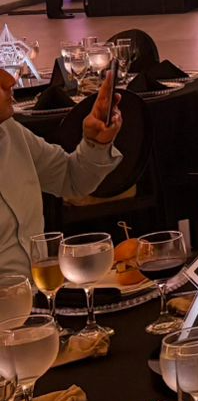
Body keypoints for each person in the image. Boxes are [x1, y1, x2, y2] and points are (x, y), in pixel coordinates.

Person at [0, 66, 123, 277]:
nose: (10, 82)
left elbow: (71, 179)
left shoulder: (10, 131)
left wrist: (96, 143)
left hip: (39, 289)